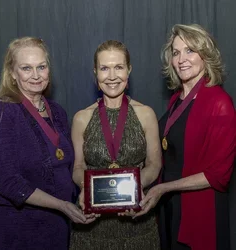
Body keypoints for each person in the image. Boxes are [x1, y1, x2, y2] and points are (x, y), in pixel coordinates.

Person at [0, 37, 95, 250]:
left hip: (59, 226)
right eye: (26, 68)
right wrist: (62, 206)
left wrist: (86, 194)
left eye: (41, 67)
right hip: (18, 228)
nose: (36, 75)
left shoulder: (58, 112)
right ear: (12, 74)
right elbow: (10, 183)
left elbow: (67, 167)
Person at [134, 24, 236, 250]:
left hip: (200, 212)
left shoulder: (220, 104)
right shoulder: (176, 100)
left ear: (206, 55)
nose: (181, 59)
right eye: (176, 52)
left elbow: (218, 176)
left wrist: (164, 188)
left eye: (190, 50)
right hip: (170, 207)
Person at [69, 40, 162, 249]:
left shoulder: (146, 114)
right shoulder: (81, 118)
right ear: (95, 73)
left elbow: (154, 164)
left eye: (118, 67)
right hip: (91, 225)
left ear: (129, 70)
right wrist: (86, 188)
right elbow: (77, 167)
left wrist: (135, 191)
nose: (112, 76)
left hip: (137, 222)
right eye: (104, 68)